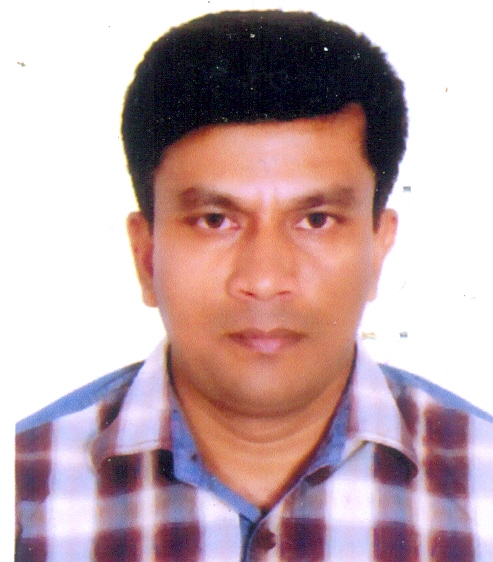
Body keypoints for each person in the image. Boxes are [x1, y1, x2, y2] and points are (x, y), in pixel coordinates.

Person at [15, 10, 493, 562]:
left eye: (316, 220)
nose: (265, 281)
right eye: (215, 220)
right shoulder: (22, 489)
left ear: (378, 247)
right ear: (146, 256)